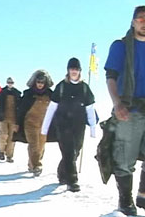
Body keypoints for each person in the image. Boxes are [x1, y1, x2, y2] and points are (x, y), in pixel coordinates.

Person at [104, 6, 145, 216]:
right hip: (128, 110)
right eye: (141, 18)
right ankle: (125, 201)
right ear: (133, 22)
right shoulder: (120, 46)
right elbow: (111, 76)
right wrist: (117, 103)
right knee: (124, 160)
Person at [41, 57, 96, 192]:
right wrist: (45, 127)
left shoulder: (84, 88)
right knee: (69, 152)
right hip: (63, 124)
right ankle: (72, 181)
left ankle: (62, 172)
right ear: (68, 70)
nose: (74, 71)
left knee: (75, 151)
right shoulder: (61, 87)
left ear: (80, 71)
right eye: (72, 69)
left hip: (79, 125)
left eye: (76, 69)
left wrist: (93, 128)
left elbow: (90, 109)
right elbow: (52, 108)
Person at [14, 70, 56, 176]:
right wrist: (17, 123)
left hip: (44, 124)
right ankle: (37, 165)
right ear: (34, 82)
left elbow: (55, 108)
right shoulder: (28, 94)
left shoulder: (51, 94)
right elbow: (21, 110)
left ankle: (32, 163)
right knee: (34, 145)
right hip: (30, 123)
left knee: (41, 146)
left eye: (42, 82)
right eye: (38, 82)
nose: (40, 84)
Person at [0, 77, 21, 162]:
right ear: (6, 83)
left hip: (14, 119)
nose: (10, 83)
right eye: (9, 82)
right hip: (3, 118)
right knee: (3, 135)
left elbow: (20, 106)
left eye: (11, 82)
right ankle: (1, 151)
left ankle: (9, 155)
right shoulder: (2, 93)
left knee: (12, 138)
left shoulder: (17, 93)